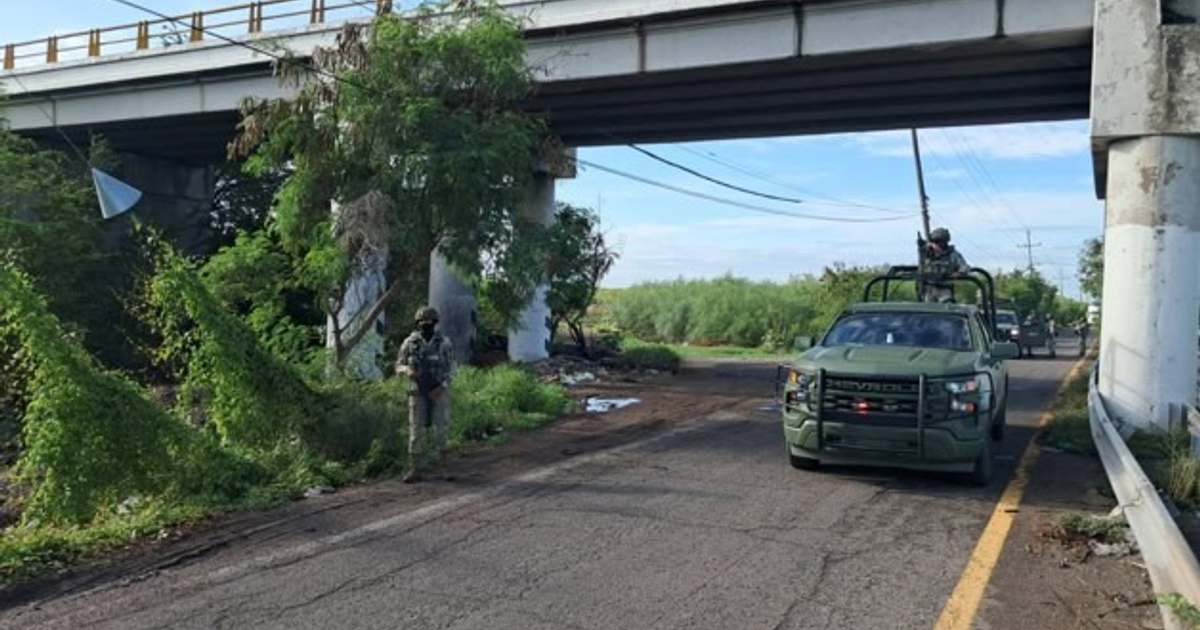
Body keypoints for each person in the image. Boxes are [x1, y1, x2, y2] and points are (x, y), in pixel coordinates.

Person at [396, 306, 455, 483]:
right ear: (417, 324)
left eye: (429, 324)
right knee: (415, 430)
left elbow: (452, 369)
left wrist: (442, 387)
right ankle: (414, 469)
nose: (425, 327)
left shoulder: (444, 343)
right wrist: (407, 370)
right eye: (422, 324)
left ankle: (443, 468)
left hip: (438, 391)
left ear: (435, 324)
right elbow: (398, 364)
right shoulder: (409, 343)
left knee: (441, 430)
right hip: (416, 392)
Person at [919, 227, 970, 303]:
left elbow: (964, 269)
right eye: (934, 242)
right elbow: (921, 269)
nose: (936, 245)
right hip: (929, 290)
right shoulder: (927, 255)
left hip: (945, 291)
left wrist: (951, 275)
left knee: (947, 308)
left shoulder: (953, 255)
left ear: (945, 243)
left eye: (938, 242)